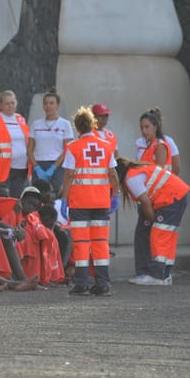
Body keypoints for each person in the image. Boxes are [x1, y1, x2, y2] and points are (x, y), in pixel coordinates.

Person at [61, 106, 118, 296]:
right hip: (102, 203)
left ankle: (82, 284)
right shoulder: (106, 146)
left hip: (80, 203)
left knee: (81, 243)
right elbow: (113, 175)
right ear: (93, 124)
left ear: (77, 127)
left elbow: (69, 175)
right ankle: (103, 284)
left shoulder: (73, 148)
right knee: (101, 243)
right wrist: (115, 195)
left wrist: (64, 199)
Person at [116, 157, 190, 286]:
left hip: (171, 198)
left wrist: (153, 220)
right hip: (174, 196)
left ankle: (157, 275)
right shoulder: (136, 171)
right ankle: (161, 274)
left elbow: (145, 201)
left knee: (160, 235)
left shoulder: (131, 178)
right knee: (148, 233)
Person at [28, 88, 73, 195]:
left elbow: (67, 149)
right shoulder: (36, 125)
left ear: (57, 105)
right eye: (46, 103)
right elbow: (29, 150)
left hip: (57, 166)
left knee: (55, 195)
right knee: (37, 195)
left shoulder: (65, 124)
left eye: (51, 103)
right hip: (39, 165)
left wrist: (54, 167)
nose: (48, 106)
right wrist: (37, 167)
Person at [136, 107, 181, 175]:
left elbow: (175, 167)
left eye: (147, 126)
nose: (144, 131)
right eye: (142, 127)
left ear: (156, 125)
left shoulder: (162, 144)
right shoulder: (140, 142)